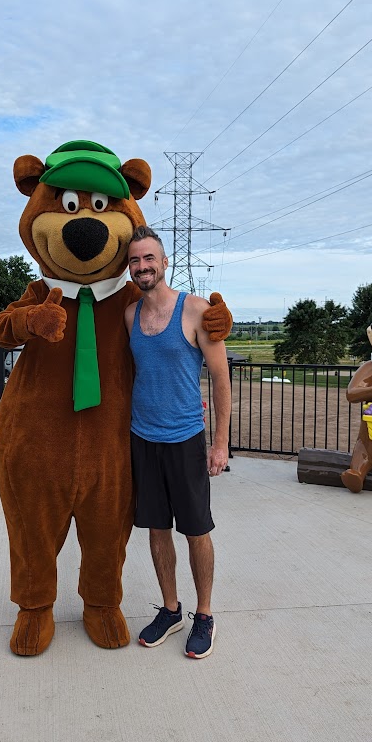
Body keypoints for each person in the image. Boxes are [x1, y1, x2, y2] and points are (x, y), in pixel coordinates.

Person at [124, 226, 232, 658]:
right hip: (142, 437)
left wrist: (219, 443)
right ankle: (170, 609)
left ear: (165, 262)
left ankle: (204, 615)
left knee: (196, 530)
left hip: (186, 438)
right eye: (135, 260)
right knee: (156, 529)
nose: (143, 266)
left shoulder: (195, 310)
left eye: (149, 258)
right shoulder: (129, 316)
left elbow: (221, 378)